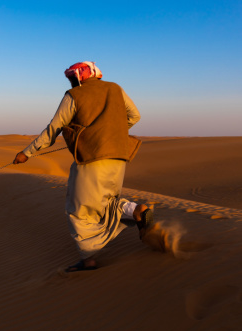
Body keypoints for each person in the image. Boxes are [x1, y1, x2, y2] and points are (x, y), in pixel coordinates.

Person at [13, 61, 154, 272]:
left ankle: (89, 261)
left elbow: (53, 129)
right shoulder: (115, 88)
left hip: (91, 159)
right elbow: (135, 116)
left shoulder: (73, 96)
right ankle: (136, 211)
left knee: (78, 211)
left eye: (72, 77)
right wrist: (109, 131)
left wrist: (27, 153)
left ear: (81, 75)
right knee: (107, 202)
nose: (71, 82)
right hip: (119, 157)